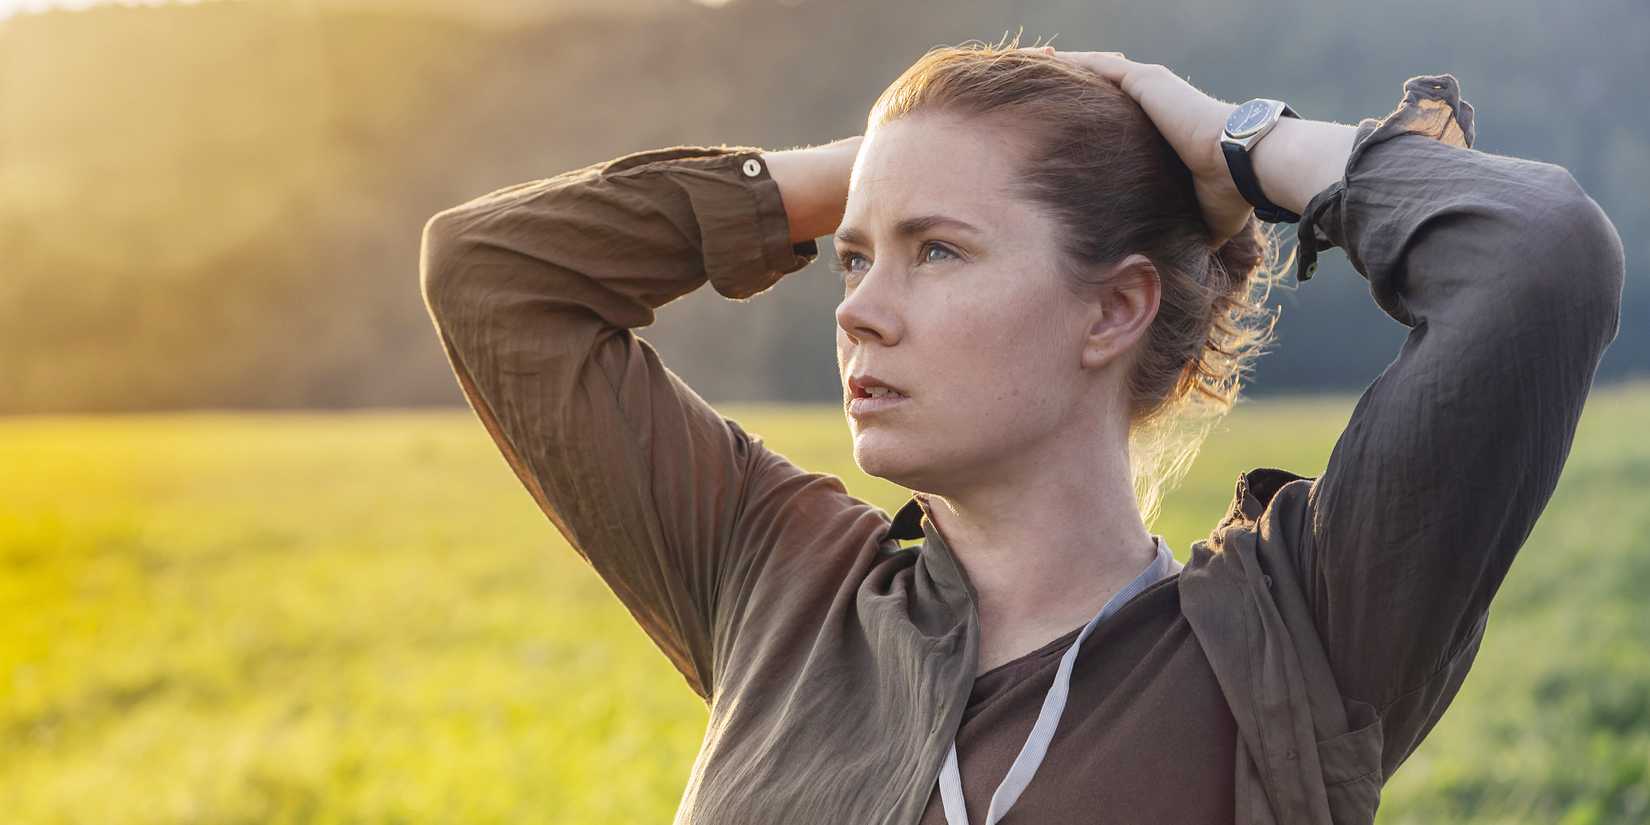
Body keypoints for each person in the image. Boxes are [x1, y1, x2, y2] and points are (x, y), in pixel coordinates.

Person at [419, 39, 1623, 825]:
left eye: (936, 252)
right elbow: (491, 277)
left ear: (1113, 308)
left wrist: (1242, 145)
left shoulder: (1303, 641)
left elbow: (1538, 256)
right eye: (852, 256)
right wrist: (886, 167)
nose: (858, 311)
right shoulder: (773, 583)